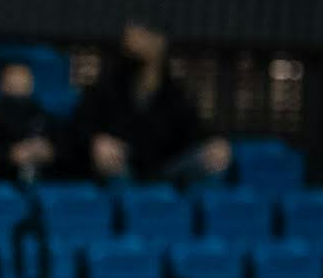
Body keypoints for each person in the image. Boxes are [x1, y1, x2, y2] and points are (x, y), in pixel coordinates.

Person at [73, 19, 231, 185]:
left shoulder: (173, 93)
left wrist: (216, 143)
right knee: (111, 163)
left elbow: (195, 131)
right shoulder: (106, 87)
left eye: (142, 32)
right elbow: (80, 128)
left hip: (164, 172)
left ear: (160, 42)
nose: (132, 38)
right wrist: (96, 141)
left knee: (213, 156)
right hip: (121, 171)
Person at [0, 60, 60, 185]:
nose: (20, 82)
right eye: (14, 77)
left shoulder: (43, 114)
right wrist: (10, 154)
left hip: (45, 180)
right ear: (2, 83)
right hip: (3, 181)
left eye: (24, 77)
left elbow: (62, 147)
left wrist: (49, 152)